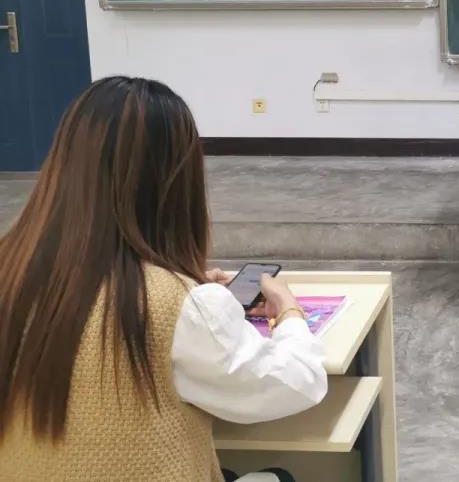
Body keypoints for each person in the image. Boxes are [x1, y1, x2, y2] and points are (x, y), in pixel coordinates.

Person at [0, 76, 327, 482]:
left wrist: (186, 289)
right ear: (176, 182)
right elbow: (296, 383)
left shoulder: (11, 272)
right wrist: (289, 312)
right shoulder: (178, 307)